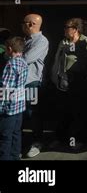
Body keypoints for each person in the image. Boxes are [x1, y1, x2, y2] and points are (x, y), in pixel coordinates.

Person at [50, 18, 87, 151]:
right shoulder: (63, 42)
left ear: (75, 30)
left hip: (78, 85)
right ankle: (60, 139)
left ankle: (80, 141)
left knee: (79, 113)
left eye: (67, 27)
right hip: (62, 84)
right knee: (63, 112)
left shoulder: (86, 43)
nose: (64, 30)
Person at [22, 14, 49, 159]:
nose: (22, 25)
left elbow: (26, 59)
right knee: (22, 113)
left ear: (31, 24)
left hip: (32, 82)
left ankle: (37, 142)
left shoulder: (41, 41)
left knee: (33, 113)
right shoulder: (25, 40)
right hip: (21, 83)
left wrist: (13, 55)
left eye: (24, 23)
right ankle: (21, 142)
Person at [0, 37, 28, 160]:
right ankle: (15, 156)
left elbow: (6, 89)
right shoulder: (23, 61)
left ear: (10, 49)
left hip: (9, 109)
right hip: (19, 106)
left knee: (5, 136)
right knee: (16, 133)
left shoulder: (11, 65)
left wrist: (1, 108)